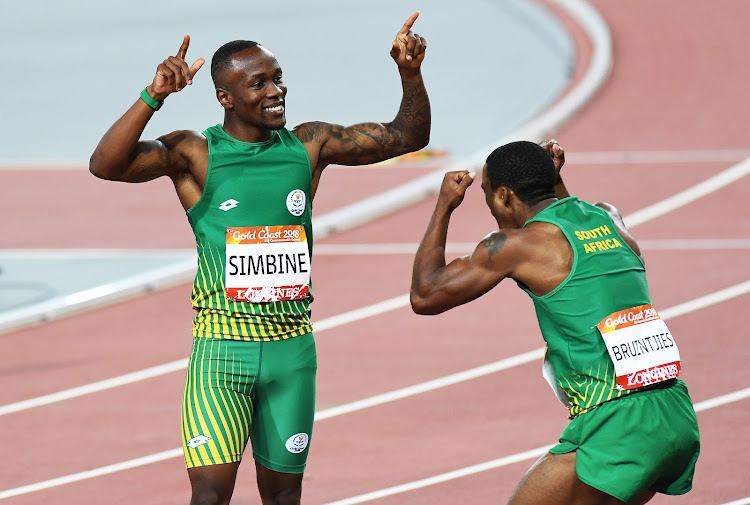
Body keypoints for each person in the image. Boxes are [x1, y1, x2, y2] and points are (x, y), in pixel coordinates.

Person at [90, 12, 429, 505]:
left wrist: (410, 73)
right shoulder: (195, 152)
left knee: (284, 496)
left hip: (291, 349)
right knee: (210, 495)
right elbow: (106, 165)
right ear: (225, 97)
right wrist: (154, 96)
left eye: (278, 78)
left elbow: (408, 137)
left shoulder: (310, 144)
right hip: (222, 351)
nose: (276, 91)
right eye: (259, 84)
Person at [410, 140, 700, 505]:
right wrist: (554, 179)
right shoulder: (608, 218)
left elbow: (425, 295)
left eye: (486, 196)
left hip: (616, 422)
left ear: (503, 196)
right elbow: (572, 220)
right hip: (673, 412)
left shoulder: (517, 245)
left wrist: (443, 207)